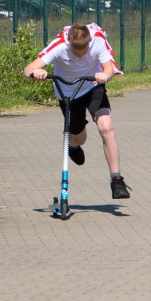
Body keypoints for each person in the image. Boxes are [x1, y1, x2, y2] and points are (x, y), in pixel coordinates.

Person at [24, 22, 130, 200]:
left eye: (84, 51)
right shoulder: (59, 45)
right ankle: (73, 146)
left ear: (89, 42)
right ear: (69, 44)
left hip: (92, 85)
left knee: (106, 127)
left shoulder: (97, 40)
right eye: (75, 52)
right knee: (79, 138)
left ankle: (117, 180)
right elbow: (28, 69)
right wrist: (37, 72)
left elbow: (109, 69)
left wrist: (105, 75)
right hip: (68, 93)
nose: (80, 57)